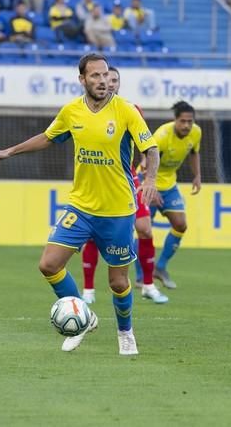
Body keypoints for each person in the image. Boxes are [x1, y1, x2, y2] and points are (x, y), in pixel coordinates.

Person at [0, 53, 160, 356]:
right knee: (48, 264)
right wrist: (10, 151)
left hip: (118, 210)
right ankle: (84, 318)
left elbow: (151, 148)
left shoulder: (127, 111)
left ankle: (125, 332)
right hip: (80, 206)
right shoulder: (71, 111)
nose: (103, 81)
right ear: (82, 80)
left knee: (118, 282)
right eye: (95, 76)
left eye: (106, 75)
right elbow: (49, 137)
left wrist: (150, 180)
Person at [81, 67, 168, 305]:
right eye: (105, 79)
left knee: (145, 229)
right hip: (98, 180)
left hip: (128, 180)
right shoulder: (86, 109)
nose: (109, 83)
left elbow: (146, 148)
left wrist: (149, 178)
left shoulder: (130, 110)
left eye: (114, 79)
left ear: (118, 84)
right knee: (92, 233)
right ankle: (88, 289)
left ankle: (148, 285)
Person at [149, 101, 202, 289]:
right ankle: (142, 277)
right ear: (175, 120)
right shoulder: (162, 135)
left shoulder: (196, 132)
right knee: (144, 229)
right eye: (183, 121)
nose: (187, 125)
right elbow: (147, 160)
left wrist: (197, 175)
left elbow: (194, 152)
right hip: (148, 181)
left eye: (190, 121)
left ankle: (160, 267)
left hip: (169, 184)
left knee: (181, 224)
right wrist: (151, 186)